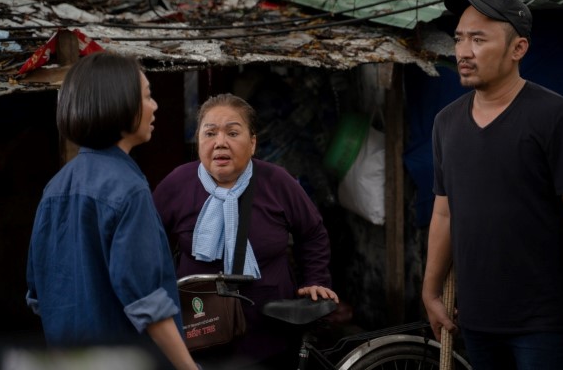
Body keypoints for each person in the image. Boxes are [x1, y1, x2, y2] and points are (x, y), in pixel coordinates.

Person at [421, 0, 563, 369]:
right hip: (474, 319)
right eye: (459, 39)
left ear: (518, 49)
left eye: (478, 39)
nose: (463, 52)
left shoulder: (556, 117)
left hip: (542, 322)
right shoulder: (446, 124)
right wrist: (430, 291)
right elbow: (444, 213)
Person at [26, 52, 200, 370]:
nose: (155, 106)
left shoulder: (54, 188)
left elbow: (39, 296)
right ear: (120, 103)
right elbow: (147, 302)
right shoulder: (129, 188)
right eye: (147, 95)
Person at [152, 93, 339, 369]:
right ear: (199, 141)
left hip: (269, 327)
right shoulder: (177, 184)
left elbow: (312, 233)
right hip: (200, 328)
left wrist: (316, 279)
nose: (220, 142)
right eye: (210, 133)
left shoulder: (277, 182)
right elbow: (148, 243)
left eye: (232, 132)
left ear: (252, 143)